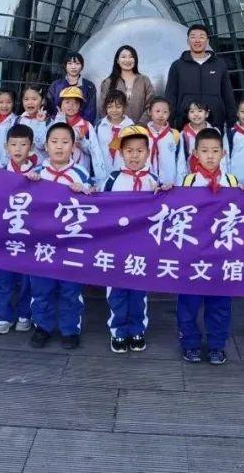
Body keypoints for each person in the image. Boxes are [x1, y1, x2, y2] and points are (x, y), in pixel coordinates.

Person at [177, 128, 239, 365]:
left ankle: (216, 344)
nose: (210, 156)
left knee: (220, 303)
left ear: (223, 153)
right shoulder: (188, 181)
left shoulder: (231, 181)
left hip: (222, 254)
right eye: (204, 151)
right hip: (193, 253)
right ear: (195, 153)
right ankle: (190, 343)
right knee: (188, 302)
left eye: (215, 151)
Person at [28, 122, 92, 350]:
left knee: (70, 290)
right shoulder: (35, 174)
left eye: (65, 142)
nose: (59, 147)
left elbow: (96, 203)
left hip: (70, 244)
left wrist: (86, 190)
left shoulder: (81, 174)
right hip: (41, 243)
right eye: (54, 142)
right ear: (45, 145)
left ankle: (70, 329)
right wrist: (28, 184)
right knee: (41, 288)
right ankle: (42, 327)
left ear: (73, 146)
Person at [100, 125, 159, 353]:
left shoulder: (154, 180)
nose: (135, 155)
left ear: (148, 152)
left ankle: (137, 329)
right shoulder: (112, 180)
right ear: (121, 153)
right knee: (116, 291)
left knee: (138, 291)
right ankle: (118, 331)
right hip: (116, 247)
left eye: (140, 150)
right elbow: (99, 207)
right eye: (129, 151)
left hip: (142, 247)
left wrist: (165, 191)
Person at [0, 124, 37, 335]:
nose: (18, 149)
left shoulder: (39, 175)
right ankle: (4, 316)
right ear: (5, 146)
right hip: (4, 238)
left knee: (26, 280)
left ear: (31, 147)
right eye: (13, 144)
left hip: (29, 238)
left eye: (23, 144)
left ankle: (24, 315)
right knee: (3, 279)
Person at [165, 23, 237, 130]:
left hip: (215, 124)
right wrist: (169, 124)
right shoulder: (177, 66)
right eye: (193, 37)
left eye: (202, 37)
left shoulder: (219, 65)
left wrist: (232, 124)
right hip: (185, 124)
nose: (197, 40)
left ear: (207, 41)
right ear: (188, 41)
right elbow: (170, 96)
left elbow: (228, 96)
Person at [99, 45, 155, 123]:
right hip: (115, 129)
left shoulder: (144, 80)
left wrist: (140, 124)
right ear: (117, 60)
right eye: (123, 57)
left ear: (135, 60)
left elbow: (151, 104)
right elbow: (102, 107)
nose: (127, 60)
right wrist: (112, 125)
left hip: (139, 130)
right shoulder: (108, 82)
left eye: (131, 57)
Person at [46, 51, 98, 123]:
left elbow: (90, 111)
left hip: (80, 127)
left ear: (82, 66)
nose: (73, 67)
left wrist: (80, 126)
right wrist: (58, 121)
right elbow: (50, 107)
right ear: (65, 66)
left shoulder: (89, 86)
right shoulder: (56, 85)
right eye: (70, 63)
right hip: (58, 124)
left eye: (77, 64)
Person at [94, 89, 134, 177]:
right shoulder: (99, 126)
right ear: (105, 108)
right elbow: (93, 147)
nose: (114, 110)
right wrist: (82, 142)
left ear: (124, 107)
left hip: (125, 173)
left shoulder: (131, 127)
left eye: (118, 107)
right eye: (110, 107)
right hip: (103, 172)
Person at [145, 96, 180, 186]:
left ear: (169, 114)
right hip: (147, 181)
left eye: (165, 112)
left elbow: (179, 159)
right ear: (149, 112)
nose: (161, 115)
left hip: (169, 182)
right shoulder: (143, 134)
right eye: (157, 111)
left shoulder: (174, 134)